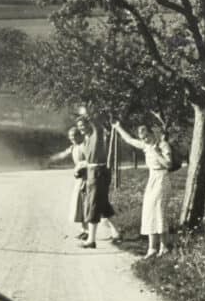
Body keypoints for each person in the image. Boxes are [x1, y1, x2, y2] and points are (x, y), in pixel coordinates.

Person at [113, 120, 172, 257]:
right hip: (152, 180)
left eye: (147, 136)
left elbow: (168, 164)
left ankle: (164, 247)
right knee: (149, 211)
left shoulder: (163, 145)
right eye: (142, 138)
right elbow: (129, 140)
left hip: (162, 179)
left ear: (152, 133)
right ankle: (152, 248)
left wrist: (157, 153)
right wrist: (118, 127)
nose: (145, 139)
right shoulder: (146, 146)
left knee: (158, 211)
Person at [75, 110, 120, 249]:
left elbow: (97, 125)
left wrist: (87, 112)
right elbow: (88, 160)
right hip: (93, 172)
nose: (81, 128)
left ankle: (91, 240)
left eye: (83, 125)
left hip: (98, 173)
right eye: (79, 126)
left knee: (93, 204)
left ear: (89, 124)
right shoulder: (87, 138)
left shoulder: (96, 134)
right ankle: (118, 233)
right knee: (103, 205)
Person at [47, 126, 89, 239]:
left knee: (85, 204)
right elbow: (63, 154)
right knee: (79, 204)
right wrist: (50, 159)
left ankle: (88, 231)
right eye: (70, 136)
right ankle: (83, 229)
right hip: (79, 178)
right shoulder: (73, 147)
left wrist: (81, 167)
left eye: (75, 135)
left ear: (79, 135)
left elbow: (90, 160)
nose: (72, 138)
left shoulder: (84, 145)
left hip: (87, 178)